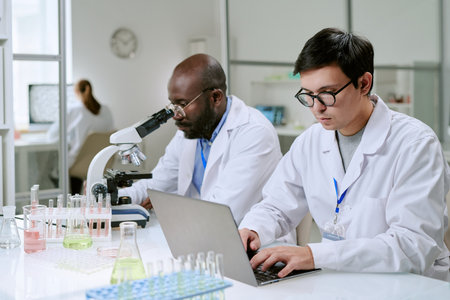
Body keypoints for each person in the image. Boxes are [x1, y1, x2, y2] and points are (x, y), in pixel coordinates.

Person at [239, 27, 450, 281]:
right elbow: (277, 206)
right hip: (340, 279)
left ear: (364, 83)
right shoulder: (310, 142)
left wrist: (315, 255)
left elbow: (412, 246)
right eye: (308, 95)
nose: (317, 108)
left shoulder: (415, 144)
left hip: (408, 284)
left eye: (327, 94)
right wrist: (253, 229)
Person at [119, 53, 286, 229]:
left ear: (215, 97)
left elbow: (222, 213)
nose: (176, 114)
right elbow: (157, 183)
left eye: (183, 104)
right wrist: (116, 199)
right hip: (201, 232)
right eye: (172, 104)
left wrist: (167, 206)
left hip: (252, 243)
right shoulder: (191, 130)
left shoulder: (253, 132)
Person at [47, 79, 114, 193]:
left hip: (78, 164)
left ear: (76, 92)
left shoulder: (74, 110)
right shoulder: (106, 110)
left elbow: (52, 135)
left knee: (52, 171)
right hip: (102, 163)